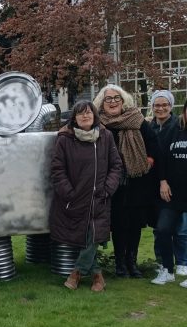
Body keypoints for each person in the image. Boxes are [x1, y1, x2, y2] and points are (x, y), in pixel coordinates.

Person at [49, 101, 122, 292]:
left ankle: (77, 273)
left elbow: (116, 166)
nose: (85, 116)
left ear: (95, 115)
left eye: (89, 112)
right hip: (74, 199)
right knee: (87, 235)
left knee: (93, 235)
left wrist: (108, 189)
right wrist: (69, 193)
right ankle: (97, 275)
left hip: (100, 197)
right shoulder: (64, 138)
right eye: (80, 114)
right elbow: (57, 170)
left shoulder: (105, 136)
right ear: (74, 118)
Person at [93, 85, 158, 278]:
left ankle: (132, 262)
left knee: (135, 224)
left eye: (116, 98)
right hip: (114, 184)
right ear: (101, 103)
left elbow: (153, 143)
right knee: (119, 225)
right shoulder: (100, 125)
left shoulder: (137, 120)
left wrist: (148, 160)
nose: (113, 102)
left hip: (138, 182)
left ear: (124, 101)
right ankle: (120, 264)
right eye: (108, 99)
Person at [148, 90, 187, 276]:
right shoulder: (149, 127)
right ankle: (162, 263)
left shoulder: (178, 125)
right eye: (157, 105)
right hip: (155, 183)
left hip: (175, 184)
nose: (161, 108)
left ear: (171, 106)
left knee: (180, 228)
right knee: (160, 227)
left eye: (165, 105)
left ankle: (181, 262)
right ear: (152, 106)